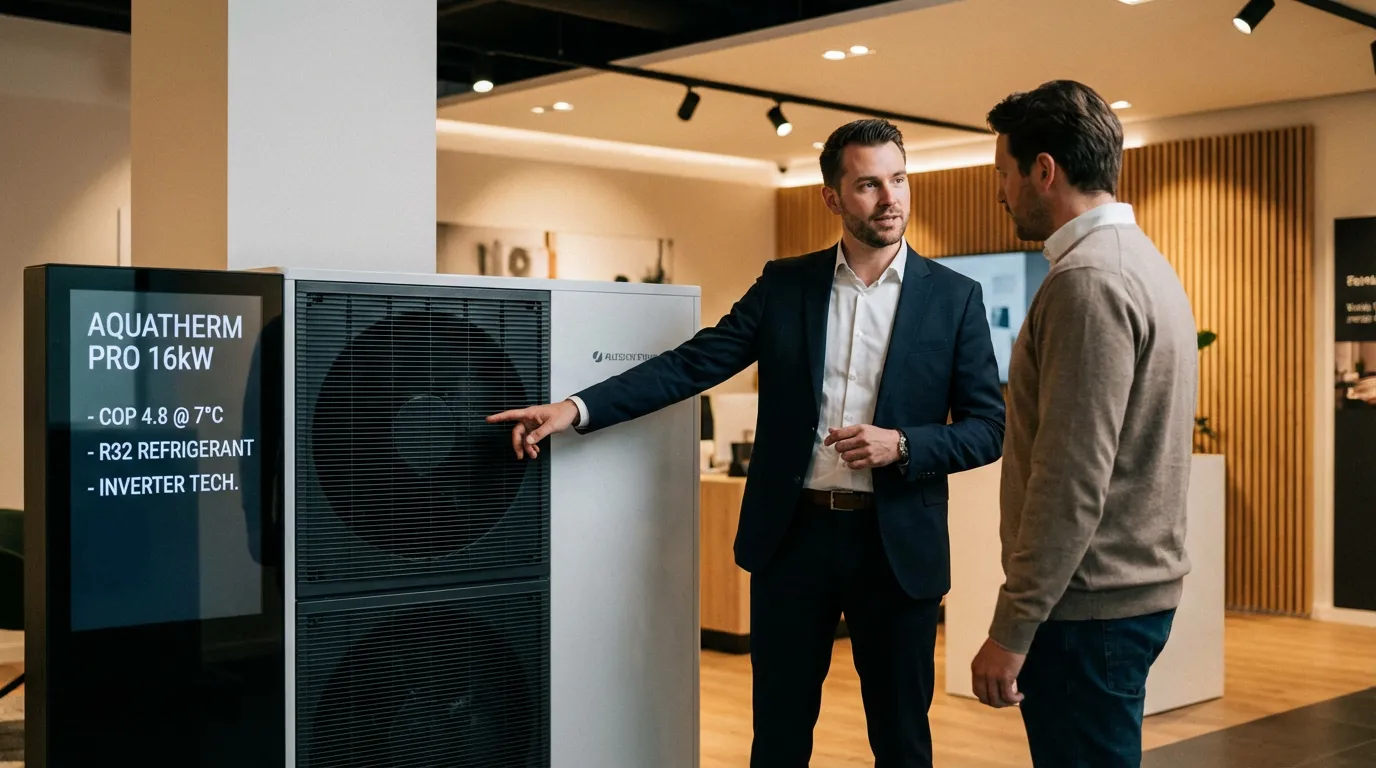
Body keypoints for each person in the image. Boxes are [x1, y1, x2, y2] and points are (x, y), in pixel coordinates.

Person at [488, 118, 1005, 767]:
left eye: (898, 179)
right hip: (793, 543)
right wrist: (576, 407)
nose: (890, 198)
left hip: (895, 550)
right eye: (869, 184)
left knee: (902, 741)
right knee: (778, 739)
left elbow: (989, 429)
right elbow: (691, 364)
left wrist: (902, 444)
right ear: (833, 196)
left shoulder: (955, 298)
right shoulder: (786, 285)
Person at [969, 80, 1198, 767]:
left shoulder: (1086, 282)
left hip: (1089, 611)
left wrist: (1012, 627)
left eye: (1004, 175)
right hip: (1116, 601)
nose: (1002, 193)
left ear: (1045, 170)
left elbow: (1070, 478)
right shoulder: (1141, 263)